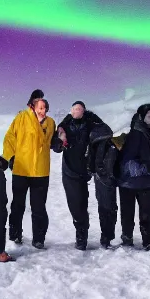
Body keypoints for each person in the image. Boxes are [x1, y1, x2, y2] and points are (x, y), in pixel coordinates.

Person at [2, 90, 58, 249]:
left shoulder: (51, 122)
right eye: (40, 107)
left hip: (41, 171)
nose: (43, 111)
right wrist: (11, 157)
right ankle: (14, 235)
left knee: (39, 206)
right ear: (32, 106)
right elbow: (9, 138)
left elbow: (52, 141)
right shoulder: (21, 118)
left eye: (45, 108)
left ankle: (39, 238)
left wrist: (58, 144)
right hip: (22, 169)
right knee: (18, 204)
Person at [54, 101, 107, 250]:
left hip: (85, 171)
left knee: (82, 204)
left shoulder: (90, 123)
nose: (77, 111)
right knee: (75, 206)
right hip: (69, 171)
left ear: (84, 111)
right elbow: (55, 147)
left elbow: (106, 131)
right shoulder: (64, 125)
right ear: (71, 111)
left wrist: (93, 116)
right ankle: (80, 232)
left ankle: (82, 236)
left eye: (80, 109)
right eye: (74, 108)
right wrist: (61, 139)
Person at [117, 104, 150, 250]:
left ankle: (144, 239)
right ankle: (133, 238)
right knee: (132, 212)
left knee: (144, 212)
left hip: (141, 180)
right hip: (130, 180)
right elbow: (132, 154)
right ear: (141, 116)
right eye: (148, 116)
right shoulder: (133, 132)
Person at [87, 117, 120, 248]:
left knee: (104, 207)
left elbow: (94, 163)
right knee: (109, 208)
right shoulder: (108, 142)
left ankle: (106, 236)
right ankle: (107, 237)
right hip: (108, 180)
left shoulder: (97, 141)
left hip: (101, 179)